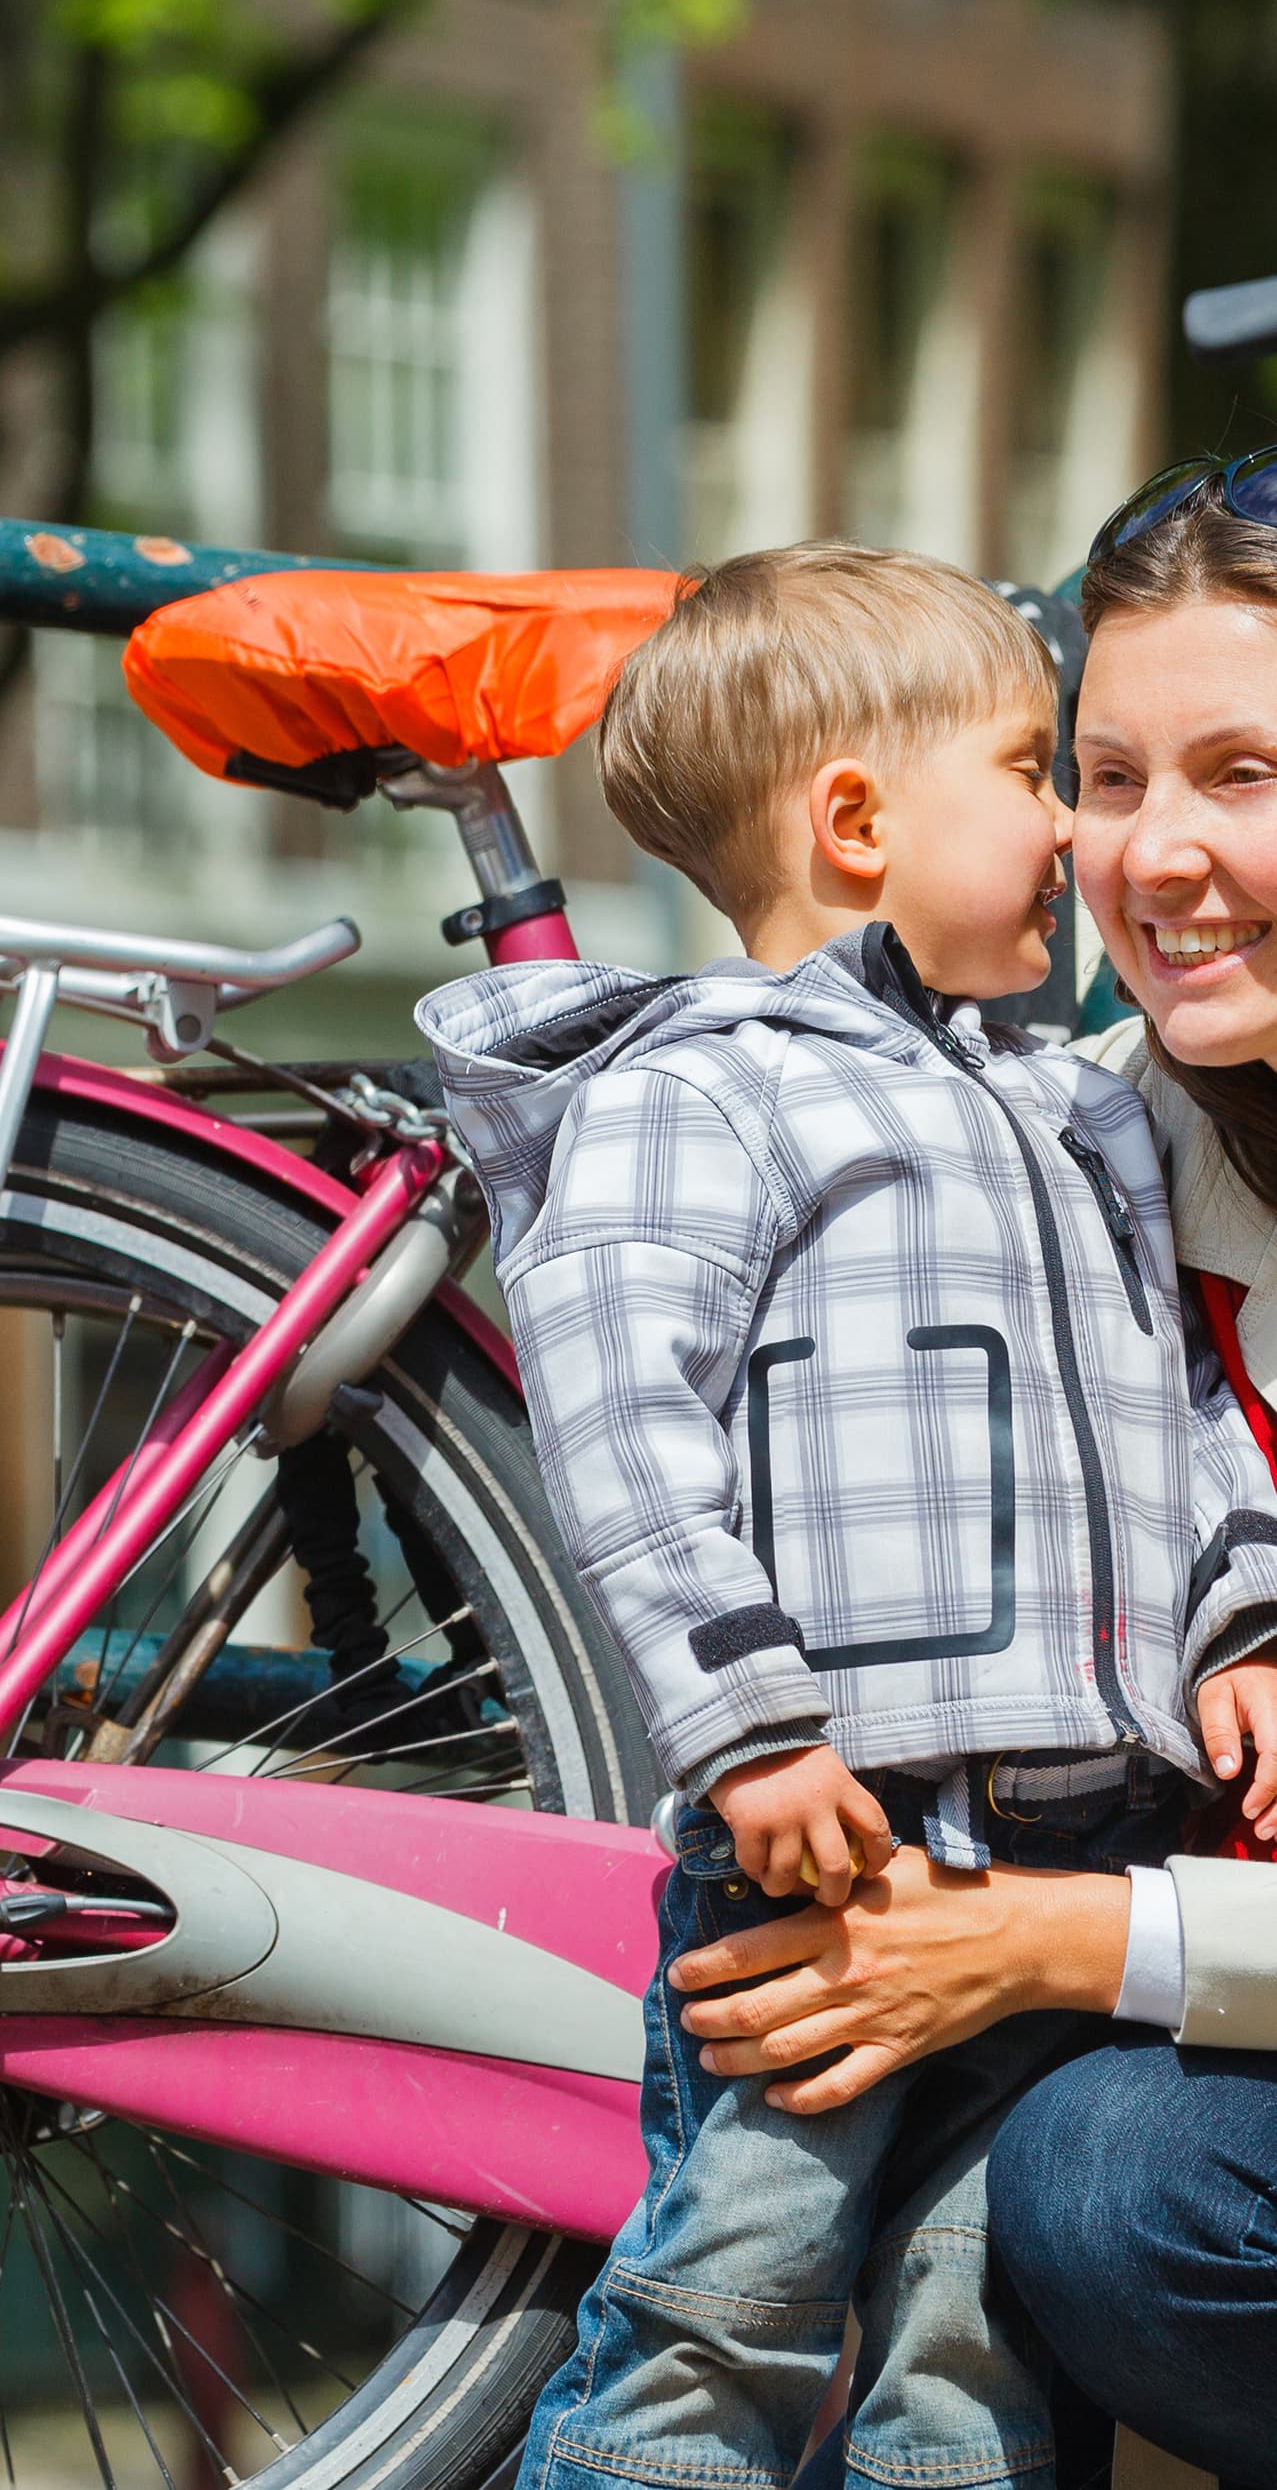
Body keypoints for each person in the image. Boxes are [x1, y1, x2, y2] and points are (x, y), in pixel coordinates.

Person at [417, 540, 1277, 2490]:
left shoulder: (1060, 1131)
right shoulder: (978, 1104)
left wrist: (1226, 1637)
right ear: (859, 821)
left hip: (1067, 1860)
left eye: (1235, 773)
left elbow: (1166, 1441)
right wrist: (743, 1722)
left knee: (977, 2344)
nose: (1108, 846)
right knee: (725, 2308)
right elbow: (628, 1426)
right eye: (1075, 768)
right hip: (838, 1845)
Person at [665, 472, 1277, 2489]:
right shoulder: (1062, 1139)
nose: (1153, 854)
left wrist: (1040, 1942)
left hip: (1123, 1963)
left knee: (1115, 2194)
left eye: (1242, 774)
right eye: (1097, 774)